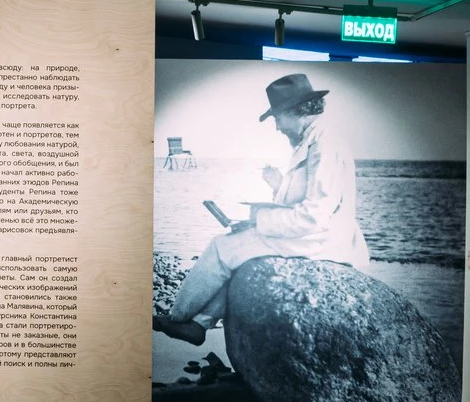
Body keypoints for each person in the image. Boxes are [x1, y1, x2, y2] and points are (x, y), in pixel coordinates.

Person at [154, 73, 370, 346]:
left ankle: (178, 319)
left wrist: (259, 219)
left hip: (323, 238)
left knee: (221, 247)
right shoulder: (314, 140)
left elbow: (312, 216)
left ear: (296, 111)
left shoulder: (325, 145)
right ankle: (200, 323)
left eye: (277, 118)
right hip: (317, 234)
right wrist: (279, 185)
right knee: (238, 251)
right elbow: (308, 201)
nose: (277, 127)